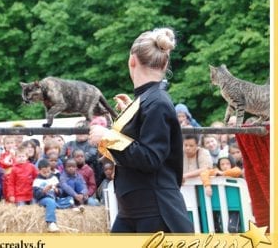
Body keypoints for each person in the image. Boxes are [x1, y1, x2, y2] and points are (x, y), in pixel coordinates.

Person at [88, 28, 194, 233]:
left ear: (132, 61)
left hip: (154, 211)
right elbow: (141, 143)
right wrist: (130, 117)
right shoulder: (149, 100)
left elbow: (150, 158)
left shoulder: (157, 102)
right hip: (136, 211)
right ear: (165, 63)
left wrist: (108, 137)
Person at [33, 159, 70, 233]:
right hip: (44, 199)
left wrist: (57, 190)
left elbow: (61, 191)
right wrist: (44, 190)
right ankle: (51, 223)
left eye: (48, 172)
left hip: (55, 198)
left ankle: (72, 207)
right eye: (44, 172)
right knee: (50, 201)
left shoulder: (54, 178)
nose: (46, 174)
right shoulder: (37, 181)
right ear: (39, 171)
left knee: (70, 199)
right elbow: (36, 195)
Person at [61, 120, 102, 186]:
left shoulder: (93, 144)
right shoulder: (68, 144)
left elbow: (89, 158)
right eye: (78, 130)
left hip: (90, 181)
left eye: (83, 130)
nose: (81, 132)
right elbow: (61, 158)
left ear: (89, 132)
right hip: (70, 180)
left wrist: (69, 158)